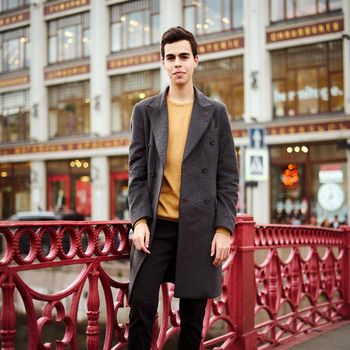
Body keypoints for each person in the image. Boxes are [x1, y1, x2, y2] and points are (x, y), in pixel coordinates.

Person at [127, 26, 239, 350]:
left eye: (184, 57)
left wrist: (224, 228)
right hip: (158, 226)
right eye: (171, 57)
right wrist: (140, 220)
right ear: (162, 62)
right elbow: (137, 173)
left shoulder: (215, 112)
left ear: (195, 61)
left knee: (193, 315)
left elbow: (228, 177)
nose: (178, 63)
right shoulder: (145, 112)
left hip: (199, 228)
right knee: (142, 304)